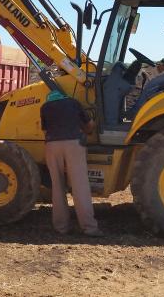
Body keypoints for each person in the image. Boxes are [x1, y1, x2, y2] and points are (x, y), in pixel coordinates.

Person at [39, 92, 104, 237]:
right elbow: (89, 126)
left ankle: (61, 228)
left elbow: (44, 130)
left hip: (52, 146)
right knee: (80, 186)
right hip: (74, 144)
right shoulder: (74, 103)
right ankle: (89, 228)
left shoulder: (45, 107)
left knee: (57, 187)